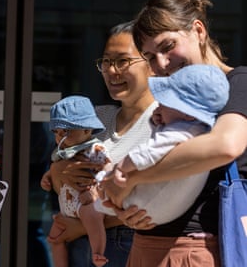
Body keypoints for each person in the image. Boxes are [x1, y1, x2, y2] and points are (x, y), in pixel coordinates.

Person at [99, 0, 247, 267]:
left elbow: (226, 145)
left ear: (198, 30)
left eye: (168, 47)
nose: (162, 63)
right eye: (150, 57)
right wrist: (123, 206)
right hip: (145, 250)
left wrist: (131, 176)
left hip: (194, 256)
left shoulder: (239, 83)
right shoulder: (167, 101)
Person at [47, 21, 157, 267]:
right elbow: (60, 178)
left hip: (130, 252)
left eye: (122, 61)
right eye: (106, 61)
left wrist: (80, 226)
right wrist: (59, 170)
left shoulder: (165, 123)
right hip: (78, 254)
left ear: (152, 63)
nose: (111, 70)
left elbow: (152, 204)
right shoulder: (95, 117)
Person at [96, 64, 229, 226]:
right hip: (164, 210)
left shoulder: (180, 130)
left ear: (186, 113)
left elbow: (150, 152)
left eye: (164, 103)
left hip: (144, 206)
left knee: (105, 178)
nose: (158, 106)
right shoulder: (200, 130)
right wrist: (157, 123)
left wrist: (122, 167)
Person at [41, 95, 112, 267]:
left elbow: (106, 171)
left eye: (65, 132)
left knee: (93, 219)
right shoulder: (61, 151)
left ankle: (98, 252)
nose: (59, 138)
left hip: (85, 201)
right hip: (67, 204)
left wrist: (96, 189)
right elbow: (55, 168)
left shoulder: (94, 148)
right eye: (56, 132)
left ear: (87, 130)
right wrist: (48, 177)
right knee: (55, 236)